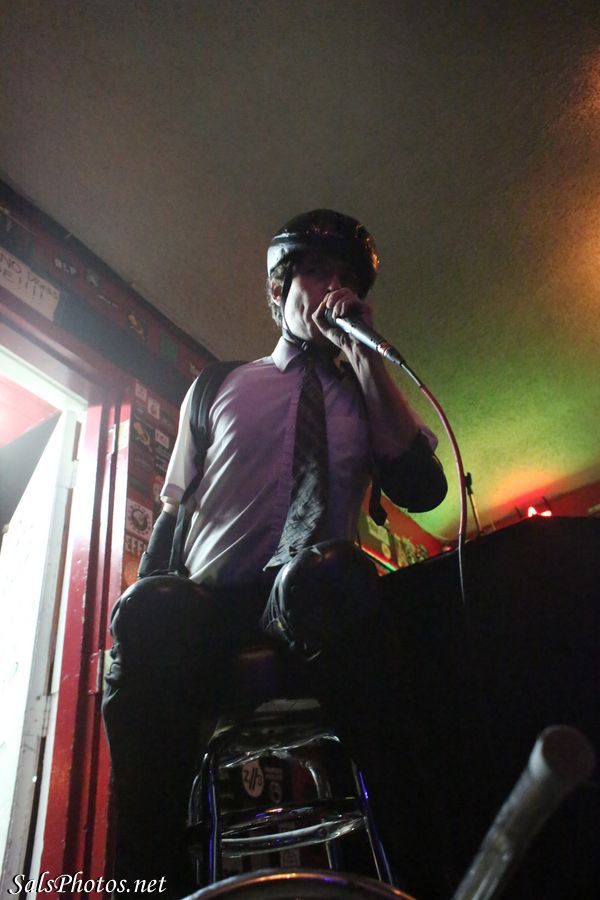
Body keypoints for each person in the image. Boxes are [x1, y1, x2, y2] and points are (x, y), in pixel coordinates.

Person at [102, 209, 447, 897]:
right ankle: (144, 882)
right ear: (280, 287)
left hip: (311, 607)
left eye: (347, 279)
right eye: (316, 272)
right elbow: (173, 513)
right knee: (149, 611)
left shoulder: (364, 397)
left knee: (334, 574)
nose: (333, 288)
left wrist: (367, 360)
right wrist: (147, 603)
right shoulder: (218, 385)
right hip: (211, 605)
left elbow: (422, 486)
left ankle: (423, 874)